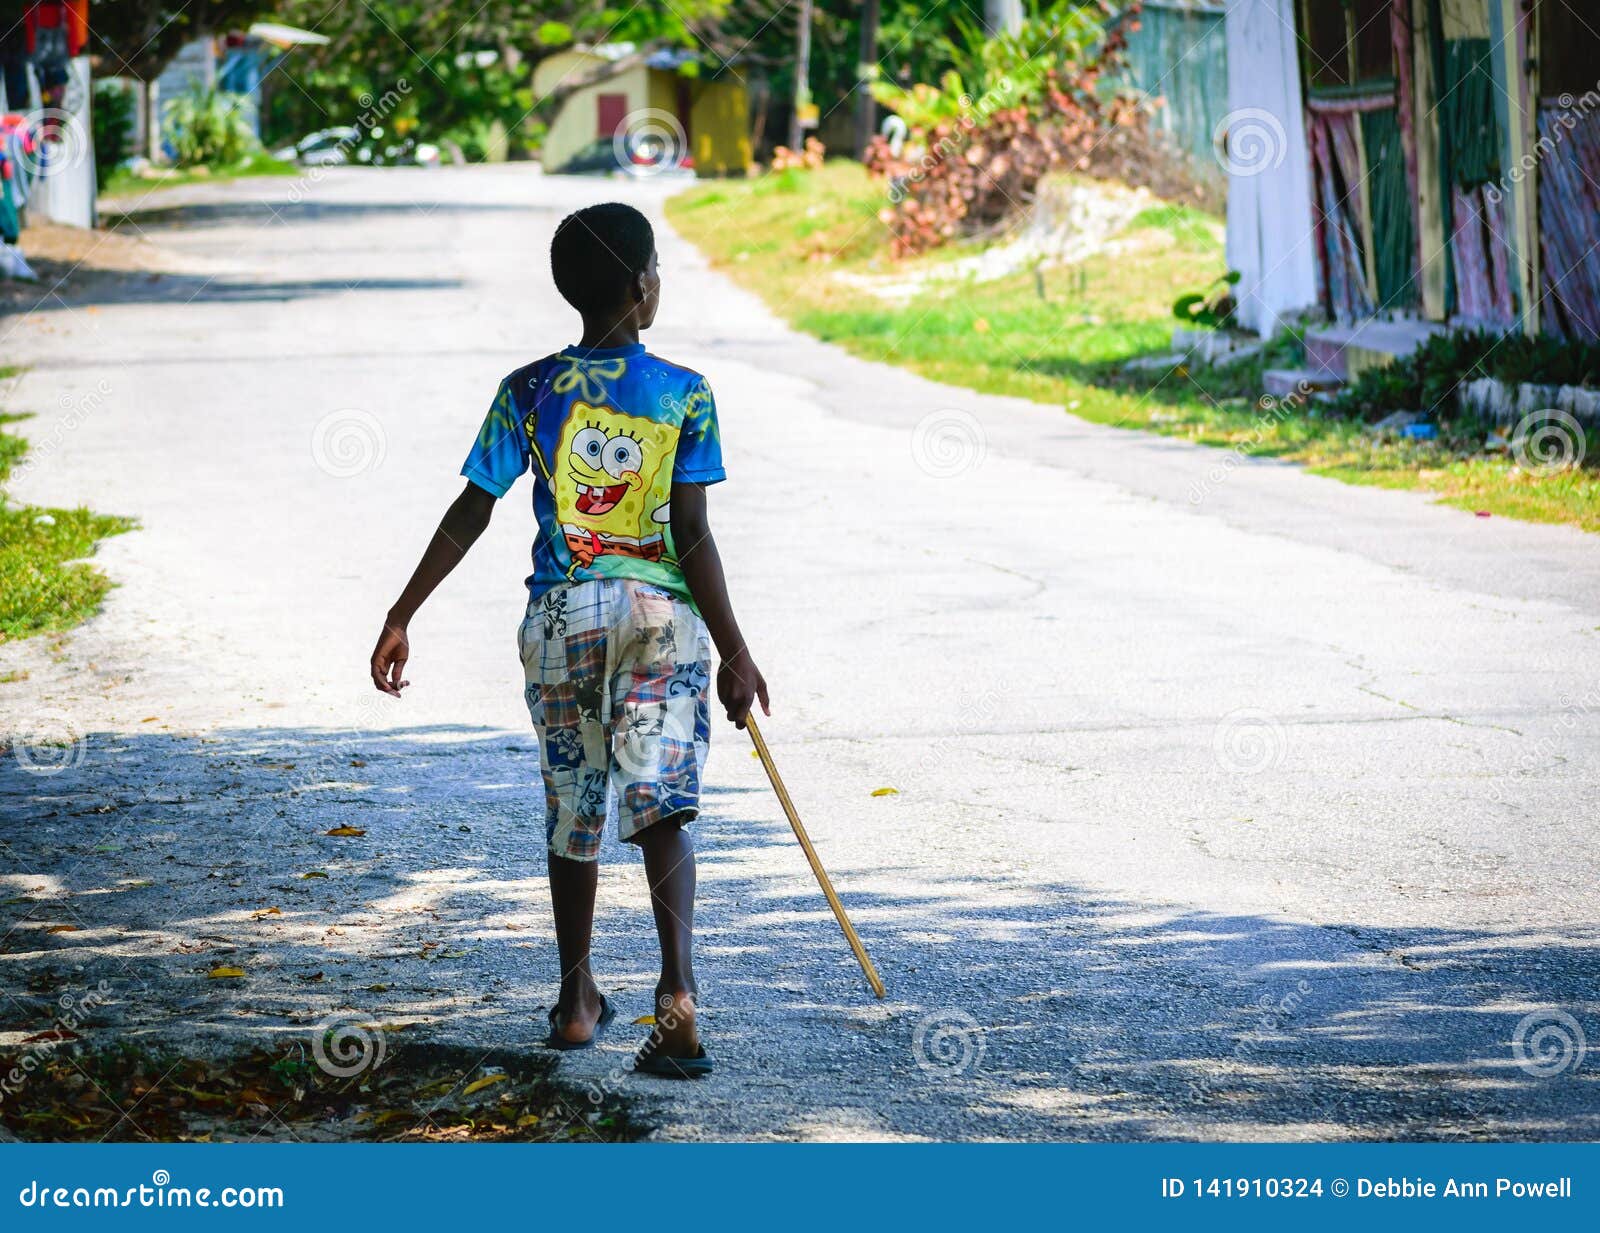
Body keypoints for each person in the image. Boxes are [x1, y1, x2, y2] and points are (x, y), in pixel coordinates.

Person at [369, 201, 768, 1078]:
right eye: (655, 268)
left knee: (575, 803)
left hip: (563, 617)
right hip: (661, 620)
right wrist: (736, 651)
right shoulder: (685, 392)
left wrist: (404, 612)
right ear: (641, 287)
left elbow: (474, 505)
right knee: (662, 801)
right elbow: (691, 533)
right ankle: (676, 997)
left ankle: (580, 998)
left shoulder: (529, 389)